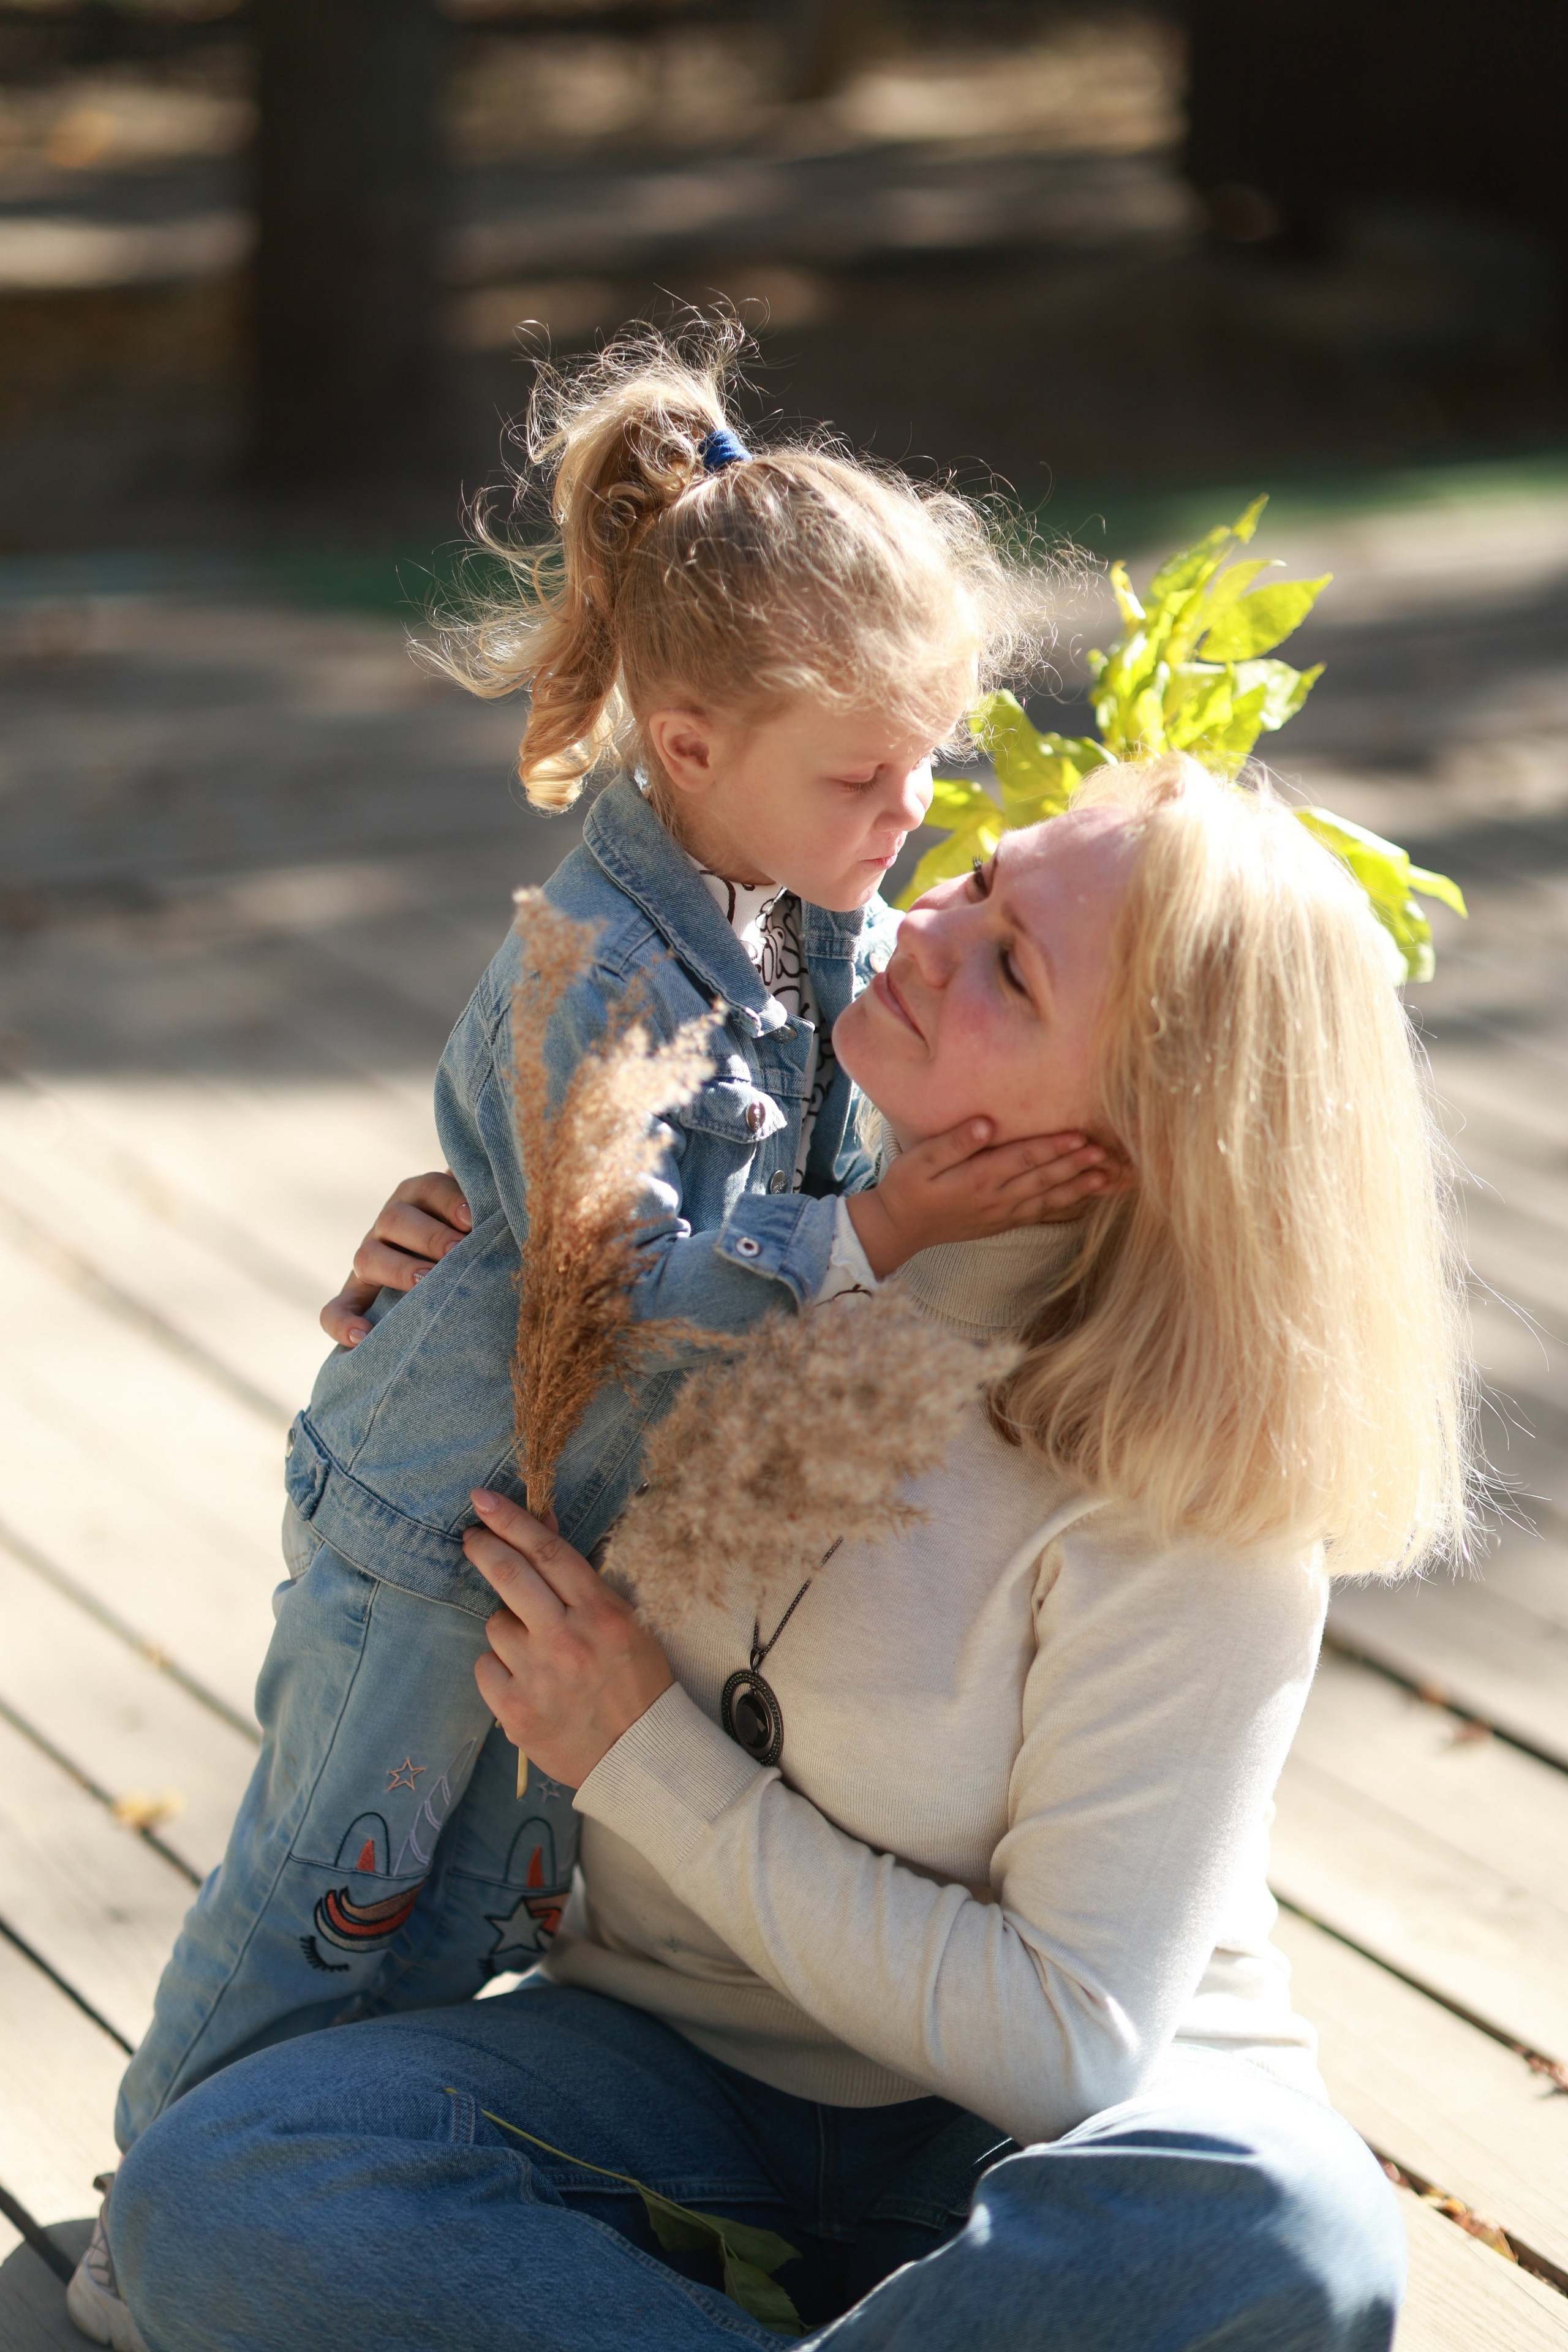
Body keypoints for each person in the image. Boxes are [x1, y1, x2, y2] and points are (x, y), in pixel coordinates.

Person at [108, 756, 1469, 2351]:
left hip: (1049, 2144)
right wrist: (456, 1302)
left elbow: (1069, 2046)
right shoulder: (741, 1238)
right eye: (980, 877)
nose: (928, 929)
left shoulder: (1190, 1490)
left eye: (1013, 967)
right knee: (224, 2181)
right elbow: (409, 1532)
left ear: (1135, 1139)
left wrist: (643, 1754)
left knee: (1288, 2230)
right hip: (665, 2075)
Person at [70, 330, 1117, 2350]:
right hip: (440, 1515)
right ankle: (164, 2196)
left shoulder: (800, 896)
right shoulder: (607, 961)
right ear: (693, 745)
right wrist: (890, 1224)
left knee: (478, 1884)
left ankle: (334, 2169)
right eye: (865, 775)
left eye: (926, 762)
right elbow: (625, 1289)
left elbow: (854, 1096)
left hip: (573, 1520)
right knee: (338, 1880)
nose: (911, 811)